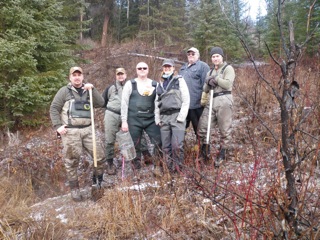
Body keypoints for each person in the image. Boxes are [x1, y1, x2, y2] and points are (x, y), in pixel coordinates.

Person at [50, 66, 106, 202]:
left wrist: (93, 89)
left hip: (89, 130)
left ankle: (97, 184)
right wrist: (58, 126)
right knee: (72, 161)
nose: (77, 77)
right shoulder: (64, 91)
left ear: (82, 76)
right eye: (74, 75)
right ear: (70, 77)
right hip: (71, 132)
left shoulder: (89, 90)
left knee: (100, 157)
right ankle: (75, 189)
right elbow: (54, 108)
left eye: (79, 75)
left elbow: (101, 103)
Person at [197, 47, 235, 167]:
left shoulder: (228, 69)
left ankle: (222, 154)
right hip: (211, 100)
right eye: (213, 56)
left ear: (222, 57)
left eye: (217, 56)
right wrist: (208, 82)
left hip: (224, 100)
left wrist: (216, 79)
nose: (215, 58)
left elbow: (228, 83)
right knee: (202, 127)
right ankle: (205, 152)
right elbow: (205, 89)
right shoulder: (210, 72)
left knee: (224, 129)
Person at [121, 62, 162, 171]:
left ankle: (158, 165)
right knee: (135, 144)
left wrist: (158, 119)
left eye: (144, 68)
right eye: (139, 68)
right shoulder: (130, 84)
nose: (142, 70)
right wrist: (124, 121)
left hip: (151, 120)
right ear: (136, 70)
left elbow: (158, 104)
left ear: (148, 70)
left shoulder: (155, 84)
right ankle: (136, 168)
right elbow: (124, 103)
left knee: (159, 141)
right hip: (134, 119)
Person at [155, 59, 190, 173]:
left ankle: (178, 170)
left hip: (177, 116)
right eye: (165, 67)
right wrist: (157, 118)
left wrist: (181, 117)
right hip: (164, 118)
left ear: (174, 68)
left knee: (177, 146)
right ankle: (169, 169)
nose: (167, 68)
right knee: (166, 147)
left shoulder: (179, 80)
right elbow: (156, 103)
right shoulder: (159, 84)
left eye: (169, 66)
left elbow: (186, 99)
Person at [102, 67, 128, 175]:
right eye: (118, 74)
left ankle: (132, 159)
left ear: (125, 75)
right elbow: (103, 101)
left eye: (122, 74)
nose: (120, 76)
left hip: (126, 116)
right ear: (116, 76)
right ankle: (110, 164)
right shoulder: (110, 88)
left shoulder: (130, 86)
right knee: (109, 140)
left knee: (128, 139)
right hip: (111, 114)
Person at [179, 47, 210, 137]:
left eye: (193, 54)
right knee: (181, 130)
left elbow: (206, 85)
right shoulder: (183, 68)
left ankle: (203, 150)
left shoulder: (203, 66)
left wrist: (204, 101)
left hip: (197, 105)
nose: (190, 56)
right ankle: (181, 149)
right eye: (189, 54)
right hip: (184, 106)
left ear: (198, 55)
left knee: (200, 131)